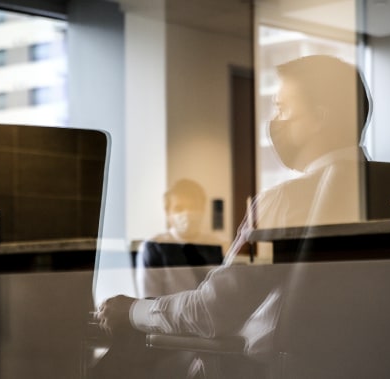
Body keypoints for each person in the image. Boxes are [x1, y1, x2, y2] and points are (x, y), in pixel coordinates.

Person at [93, 54, 371, 377]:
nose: (275, 121)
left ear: (319, 119)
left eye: (282, 109)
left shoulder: (283, 202)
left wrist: (132, 310)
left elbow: (210, 312)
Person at [135, 178, 225, 298]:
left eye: (193, 207)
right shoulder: (154, 246)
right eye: (179, 208)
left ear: (203, 209)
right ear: (167, 212)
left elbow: (223, 291)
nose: (187, 213)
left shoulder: (215, 244)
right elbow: (149, 299)